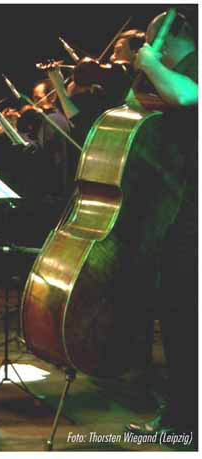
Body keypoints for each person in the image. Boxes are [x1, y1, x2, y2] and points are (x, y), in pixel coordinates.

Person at [125, 11, 197, 441]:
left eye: (154, 46)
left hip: (191, 217)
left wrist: (150, 65)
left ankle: (182, 422)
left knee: (183, 321)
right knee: (177, 321)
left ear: (166, 43)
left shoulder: (192, 67)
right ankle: (180, 416)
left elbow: (189, 96)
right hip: (176, 211)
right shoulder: (175, 69)